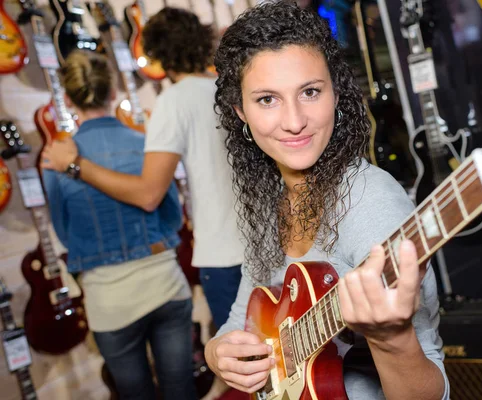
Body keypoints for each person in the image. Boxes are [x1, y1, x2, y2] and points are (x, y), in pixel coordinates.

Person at [203, 2, 449, 399]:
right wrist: (217, 352)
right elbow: (242, 317)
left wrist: (391, 340)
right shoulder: (271, 199)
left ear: (335, 93)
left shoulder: (371, 202)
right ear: (240, 112)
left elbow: (431, 390)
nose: (295, 120)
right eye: (267, 99)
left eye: (310, 92)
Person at [40, 7, 244, 336]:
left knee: (249, 367)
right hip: (262, 245)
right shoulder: (231, 89)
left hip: (223, 255)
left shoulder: (174, 101)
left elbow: (149, 195)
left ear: (157, 54)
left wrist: (77, 166)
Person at [41, 51, 196, 400]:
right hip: (164, 283)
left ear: (67, 99)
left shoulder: (55, 159)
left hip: (108, 299)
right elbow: (173, 215)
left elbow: (65, 232)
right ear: (113, 93)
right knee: (180, 388)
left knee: (133, 394)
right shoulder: (146, 143)